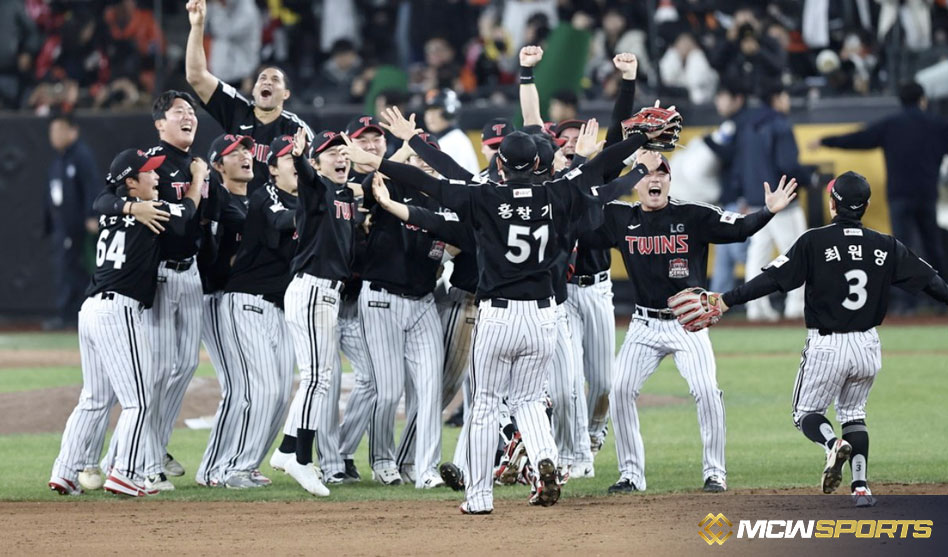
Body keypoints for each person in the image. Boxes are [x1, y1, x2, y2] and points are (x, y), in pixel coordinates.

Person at [342, 116, 667, 513]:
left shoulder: (484, 196)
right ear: (536, 165)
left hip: (497, 315)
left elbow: (435, 182)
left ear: (499, 165)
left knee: (486, 405)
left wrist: (380, 161)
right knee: (529, 399)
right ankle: (546, 457)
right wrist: (638, 141)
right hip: (545, 315)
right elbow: (598, 168)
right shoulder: (558, 192)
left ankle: (479, 498)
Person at [673, 171, 948, 507]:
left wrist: (728, 299)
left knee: (805, 413)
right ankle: (861, 488)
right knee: (854, 414)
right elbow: (932, 282)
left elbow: (772, 280)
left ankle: (832, 444)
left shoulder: (814, 241)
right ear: (866, 206)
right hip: (868, 346)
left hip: (827, 345)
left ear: (832, 204)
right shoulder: (885, 245)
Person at [585, 152, 798, 495]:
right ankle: (631, 474)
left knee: (706, 391)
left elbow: (741, 229)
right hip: (643, 323)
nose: (654, 180)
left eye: (661, 174)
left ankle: (715, 472)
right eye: (646, 174)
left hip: (689, 322)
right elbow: (580, 222)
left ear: (670, 180)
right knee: (620, 390)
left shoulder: (693, 215)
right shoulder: (618, 216)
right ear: (634, 183)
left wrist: (768, 211)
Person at [49, 148, 206, 497]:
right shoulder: (152, 211)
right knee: (139, 400)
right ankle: (126, 473)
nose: (157, 177)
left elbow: (102, 200)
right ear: (131, 183)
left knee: (93, 398)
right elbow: (190, 213)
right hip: (118, 310)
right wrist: (197, 179)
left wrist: (128, 204)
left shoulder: (116, 208)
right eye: (149, 173)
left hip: (90, 309)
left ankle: (65, 471)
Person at [93, 90, 206, 483]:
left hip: (191, 272)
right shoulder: (148, 164)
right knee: (155, 372)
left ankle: (149, 448)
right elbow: (102, 198)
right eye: (179, 112)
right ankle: (139, 459)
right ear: (160, 123)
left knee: (187, 364)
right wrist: (129, 205)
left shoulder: (197, 164)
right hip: (157, 275)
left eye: (191, 111)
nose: (188, 116)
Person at [810, 81, 948, 311]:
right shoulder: (937, 125)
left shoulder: (891, 125)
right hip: (926, 195)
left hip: (899, 195)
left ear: (900, 101)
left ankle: (905, 303)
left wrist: (825, 141)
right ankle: (941, 300)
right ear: (922, 101)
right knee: (932, 247)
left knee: (901, 250)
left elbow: (857, 139)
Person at [269, 128, 355, 497]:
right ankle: (300, 458)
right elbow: (306, 179)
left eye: (344, 151)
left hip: (324, 293)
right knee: (317, 378)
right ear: (318, 162)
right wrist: (302, 159)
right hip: (313, 289)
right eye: (331, 152)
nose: (341, 157)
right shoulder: (317, 187)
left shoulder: (346, 194)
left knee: (317, 378)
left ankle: (288, 450)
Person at [705, 82, 809, 321]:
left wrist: (743, 194)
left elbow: (739, 166)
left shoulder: (745, 124)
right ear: (776, 97)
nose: (787, 101)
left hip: (755, 202)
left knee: (758, 255)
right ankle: (795, 306)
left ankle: (756, 308)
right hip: (782, 201)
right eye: (785, 95)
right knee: (797, 254)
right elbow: (788, 164)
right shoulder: (779, 123)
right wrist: (807, 178)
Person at [185, 0, 312, 195]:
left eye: (275, 80)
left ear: (286, 94)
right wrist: (197, 25)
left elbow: (316, 175)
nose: (267, 82)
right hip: (239, 209)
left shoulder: (296, 129)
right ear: (253, 90)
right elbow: (196, 76)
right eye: (262, 78)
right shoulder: (239, 109)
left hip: (281, 215)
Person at [193, 133, 255, 488]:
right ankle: (213, 468)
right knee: (237, 388)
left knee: (249, 389)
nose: (245, 155)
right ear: (218, 165)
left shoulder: (255, 202)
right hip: (214, 299)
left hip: (241, 303)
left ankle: (235, 462)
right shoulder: (217, 203)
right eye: (234, 152)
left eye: (246, 149)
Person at [45, 111, 100, 330]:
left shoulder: (81, 156)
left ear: (73, 131)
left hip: (78, 227)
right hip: (63, 227)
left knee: (79, 269)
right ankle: (67, 313)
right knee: (66, 268)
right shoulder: (60, 159)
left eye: (59, 130)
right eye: (52, 131)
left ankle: (73, 314)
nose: (55, 135)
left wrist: (92, 215)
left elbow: (91, 186)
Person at [423, 89, 479, 175]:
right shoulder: (448, 139)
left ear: (449, 113)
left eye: (435, 110)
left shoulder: (456, 142)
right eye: (428, 111)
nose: (430, 116)